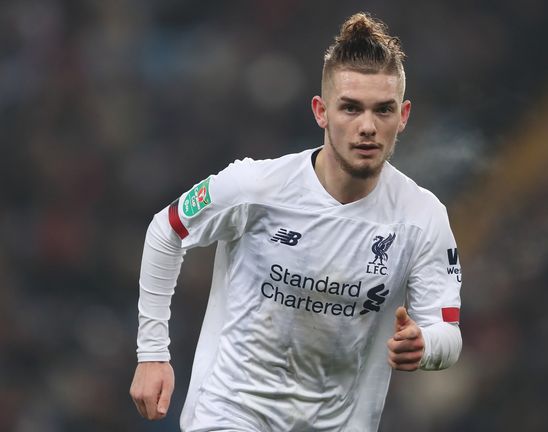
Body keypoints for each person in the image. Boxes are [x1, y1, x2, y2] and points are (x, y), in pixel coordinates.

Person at [129, 12, 463, 431]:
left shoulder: (422, 217)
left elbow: (448, 332)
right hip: (232, 413)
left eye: (383, 110)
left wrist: (425, 345)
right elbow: (168, 229)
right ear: (321, 111)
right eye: (350, 108)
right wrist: (152, 353)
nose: (367, 127)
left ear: (404, 115)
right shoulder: (257, 186)